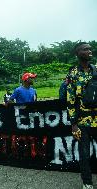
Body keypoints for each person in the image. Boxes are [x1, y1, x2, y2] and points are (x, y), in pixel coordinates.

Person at [67, 42, 95, 189]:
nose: (89, 51)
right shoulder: (73, 74)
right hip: (82, 122)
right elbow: (70, 100)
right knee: (84, 155)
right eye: (85, 49)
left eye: (90, 49)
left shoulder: (96, 70)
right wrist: (73, 124)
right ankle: (87, 183)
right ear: (78, 53)